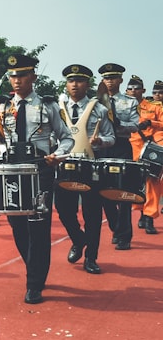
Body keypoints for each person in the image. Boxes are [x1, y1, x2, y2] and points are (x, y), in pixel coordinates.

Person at [0, 54, 74, 305]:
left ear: (33, 77)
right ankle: (34, 268)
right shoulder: (2, 107)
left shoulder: (47, 105)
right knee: (18, 227)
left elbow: (66, 136)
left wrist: (59, 154)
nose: (16, 80)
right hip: (12, 170)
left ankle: (34, 282)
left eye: (22, 75)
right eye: (13, 76)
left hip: (40, 171)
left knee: (39, 227)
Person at [54, 64, 114, 274]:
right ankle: (79, 239)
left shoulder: (99, 108)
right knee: (63, 209)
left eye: (79, 81)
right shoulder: (57, 108)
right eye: (71, 81)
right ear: (66, 83)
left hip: (91, 167)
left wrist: (99, 141)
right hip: (64, 167)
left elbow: (111, 137)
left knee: (92, 214)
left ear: (87, 84)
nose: (75, 85)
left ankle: (91, 257)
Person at [97, 63, 141, 251]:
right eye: (106, 78)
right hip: (102, 147)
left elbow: (136, 125)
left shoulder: (129, 102)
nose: (110, 81)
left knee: (124, 192)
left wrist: (119, 123)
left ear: (121, 80)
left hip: (122, 146)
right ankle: (115, 225)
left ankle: (124, 236)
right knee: (104, 190)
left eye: (113, 77)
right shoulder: (96, 101)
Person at [129, 76, 163, 234]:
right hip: (130, 148)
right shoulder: (122, 107)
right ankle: (141, 212)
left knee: (152, 182)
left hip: (149, 149)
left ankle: (149, 217)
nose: (133, 91)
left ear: (143, 90)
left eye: (136, 88)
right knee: (136, 183)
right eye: (130, 88)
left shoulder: (153, 106)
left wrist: (151, 123)